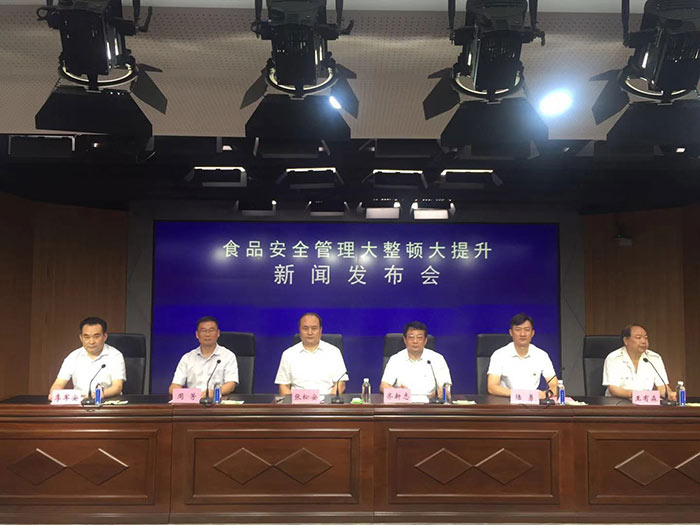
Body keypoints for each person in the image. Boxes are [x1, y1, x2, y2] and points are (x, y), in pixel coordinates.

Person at [48, 317, 126, 400]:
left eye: (96, 336)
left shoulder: (115, 355)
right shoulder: (73, 357)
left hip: (107, 401)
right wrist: (54, 393)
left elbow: (117, 387)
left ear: (105, 336)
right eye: (87, 337)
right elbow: (59, 383)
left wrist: (99, 395)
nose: (91, 342)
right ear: (81, 338)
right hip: (80, 403)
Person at [487, 313, 558, 399]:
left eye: (527, 330)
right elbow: (492, 387)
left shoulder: (541, 355)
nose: (522, 334)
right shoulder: (499, 355)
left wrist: (546, 394)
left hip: (533, 404)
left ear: (532, 333)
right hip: (507, 402)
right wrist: (519, 394)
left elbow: (556, 386)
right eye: (518, 329)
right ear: (511, 332)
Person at [275, 313, 348, 395]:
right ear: (300, 330)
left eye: (314, 328)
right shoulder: (288, 354)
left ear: (320, 330)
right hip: (297, 402)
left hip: (326, 401)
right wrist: (292, 402)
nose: (310, 332)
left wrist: (329, 401)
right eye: (305, 328)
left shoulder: (333, 352)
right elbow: (283, 386)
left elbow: (340, 384)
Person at [602, 324, 676, 401]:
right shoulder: (614, 358)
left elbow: (662, 387)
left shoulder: (654, 358)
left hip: (644, 403)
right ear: (626, 340)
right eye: (638, 338)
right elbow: (613, 389)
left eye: (646, 338)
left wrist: (670, 394)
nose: (644, 341)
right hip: (617, 403)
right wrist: (636, 395)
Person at [169, 316, 238, 397]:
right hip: (193, 402)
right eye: (203, 331)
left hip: (217, 401)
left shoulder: (228, 356)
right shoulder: (187, 358)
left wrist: (215, 393)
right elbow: (174, 386)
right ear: (197, 334)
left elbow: (231, 384)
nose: (207, 334)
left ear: (218, 333)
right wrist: (186, 395)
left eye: (211, 330)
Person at [380, 321, 452, 397]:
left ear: (425, 340)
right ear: (405, 340)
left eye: (419, 337)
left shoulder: (437, 359)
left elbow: (446, 386)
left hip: (430, 402)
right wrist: (397, 392)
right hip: (403, 402)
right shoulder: (396, 359)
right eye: (411, 337)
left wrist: (441, 392)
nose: (415, 341)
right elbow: (383, 386)